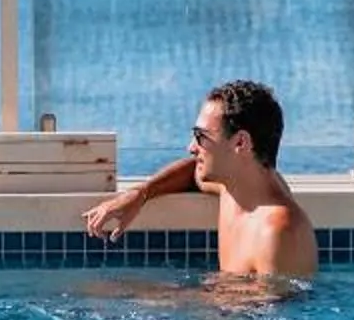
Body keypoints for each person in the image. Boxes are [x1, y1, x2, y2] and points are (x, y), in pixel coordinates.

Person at [83, 78, 317, 279]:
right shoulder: (234, 188)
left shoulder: (277, 232)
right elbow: (193, 174)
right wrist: (140, 194)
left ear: (240, 143)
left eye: (201, 137)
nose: (191, 148)